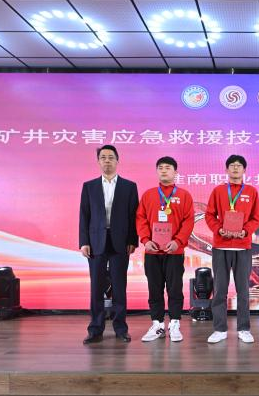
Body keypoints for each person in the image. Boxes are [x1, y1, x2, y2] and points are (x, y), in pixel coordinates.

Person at [79, 145, 139, 344]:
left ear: (117, 161)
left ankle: (120, 328)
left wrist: (132, 240)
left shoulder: (129, 186)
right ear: (98, 162)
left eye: (111, 157)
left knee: (119, 287)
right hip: (96, 242)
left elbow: (133, 216)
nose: (107, 160)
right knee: (96, 287)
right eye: (103, 157)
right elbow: (84, 216)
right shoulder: (89, 186)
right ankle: (95, 329)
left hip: (120, 242)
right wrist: (84, 242)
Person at [136, 156, 195, 343]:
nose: (163, 170)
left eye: (168, 167)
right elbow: (141, 219)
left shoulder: (184, 195)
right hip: (152, 251)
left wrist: (178, 241)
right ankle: (157, 324)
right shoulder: (148, 195)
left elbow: (188, 221)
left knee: (174, 289)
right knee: (154, 289)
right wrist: (145, 240)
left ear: (175, 172)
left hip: (174, 252)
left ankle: (175, 323)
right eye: (160, 167)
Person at [204, 155, 259, 344]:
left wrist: (245, 231)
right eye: (232, 166)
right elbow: (209, 215)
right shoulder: (218, 191)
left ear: (244, 170)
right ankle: (219, 329)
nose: (235, 168)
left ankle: (244, 329)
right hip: (221, 246)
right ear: (226, 170)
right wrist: (218, 229)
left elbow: (256, 218)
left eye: (239, 166)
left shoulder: (251, 191)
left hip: (242, 246)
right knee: (220, 289)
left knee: (243, 290)